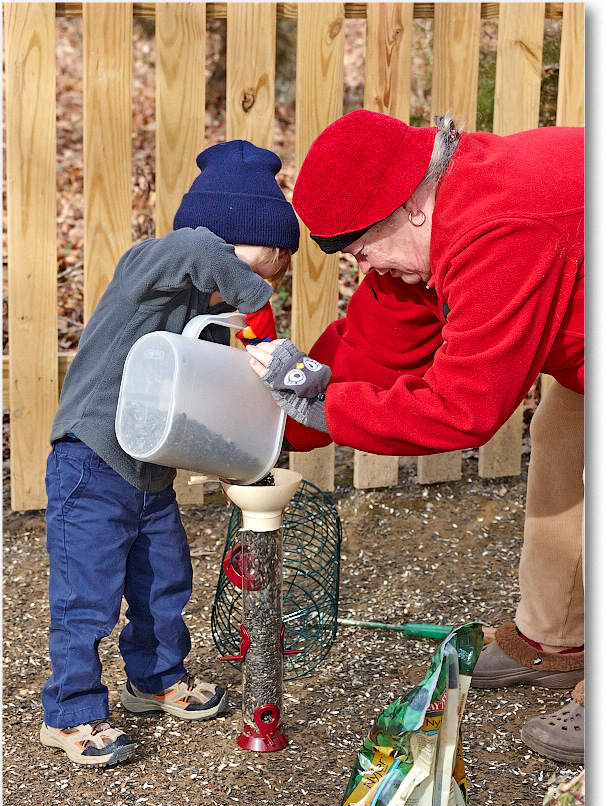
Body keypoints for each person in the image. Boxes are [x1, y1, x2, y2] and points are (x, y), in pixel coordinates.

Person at [246, 110, 584, 766]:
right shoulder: (429, 231)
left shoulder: (498, 229)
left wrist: (327, 407)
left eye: (363, 249)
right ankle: (554, 639)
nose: (362, 265)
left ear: (412, 209)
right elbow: (372, 351)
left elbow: (464, 410)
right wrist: (273, 422)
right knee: (563, 438)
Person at [40, 140, 300, 767]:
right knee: (86, 598)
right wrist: (259, 305)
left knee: (163, 580)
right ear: (230, 236)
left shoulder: (198, 310)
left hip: (146, 472)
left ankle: (154, 680)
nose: (273, 277)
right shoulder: (152, 268)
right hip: (89, 462)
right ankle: (71, 712)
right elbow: (195, 247)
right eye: (271, 260)